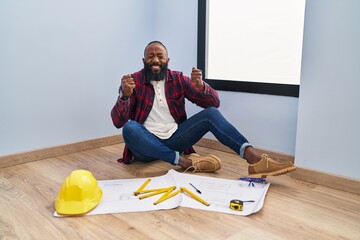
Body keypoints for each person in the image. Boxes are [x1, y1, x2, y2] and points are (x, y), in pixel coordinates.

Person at [111, 41, 296, 177]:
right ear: (144, 60)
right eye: (151, 56)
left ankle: (254, 158)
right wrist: (124, 95)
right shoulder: (132, 82)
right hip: (146, 148)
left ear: (168, 59)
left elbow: (213, 103)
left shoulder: (178, 79)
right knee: (130, 128)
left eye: (160, 55)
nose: (155, 60)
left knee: (211, 114)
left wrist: (201, 87)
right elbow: (117, 122)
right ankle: (184, 162)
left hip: (175, 140)